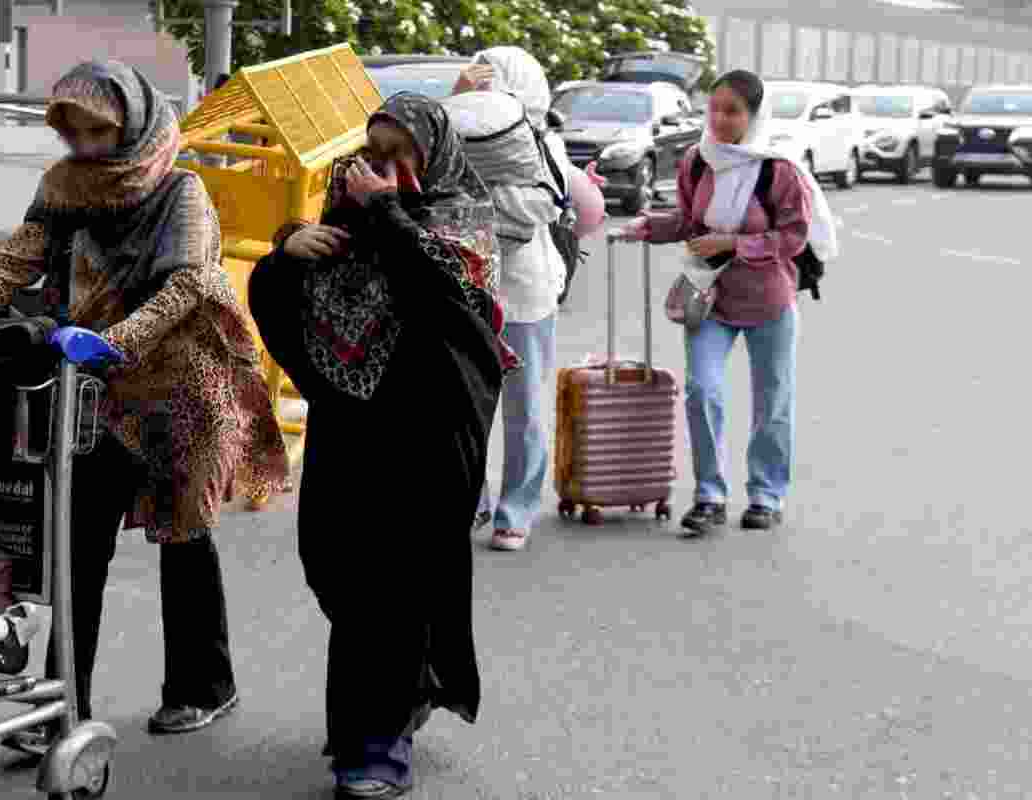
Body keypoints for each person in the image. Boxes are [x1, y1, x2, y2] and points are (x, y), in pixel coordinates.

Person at [0, 60, 290, 735]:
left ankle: (205, 683)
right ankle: (58, 704)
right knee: (73, 543)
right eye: (73, 132)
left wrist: (115, 338)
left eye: (98, 131)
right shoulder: (65, 188)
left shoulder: (180, 191)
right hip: (93, 389)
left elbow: (188, 285)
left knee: (183, 535)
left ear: (133, 124)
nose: (85, 146)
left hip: (181, 383)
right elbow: (20, 254)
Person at [248, 93, 517, 799]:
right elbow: (282, 303)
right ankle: (409, 683)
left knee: (391, 592)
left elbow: (443, 300)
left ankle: (375, 745)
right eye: (376, 152)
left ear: (433, 156)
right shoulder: (350, 223)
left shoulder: (462, 223)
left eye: (403, 154)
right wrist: (285, 249)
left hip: (428, 434)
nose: (386, 169)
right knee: (333, 568)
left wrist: (387, 213)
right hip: (350, 429)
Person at [614, 69, 837, 537]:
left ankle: (765, 495)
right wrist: (646, 227)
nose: (720, 119)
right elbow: (687, 221)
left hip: (769, 301)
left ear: (754, 115)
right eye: (714, 108)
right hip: (709, 297)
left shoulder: (778, 169)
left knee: (772, 402)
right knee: (702, 390)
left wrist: (733, 245)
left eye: (732, 111)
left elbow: (793, 237)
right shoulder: (697, 161)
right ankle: (710, 495)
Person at [445, 47, 608, 551]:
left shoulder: (544, 144)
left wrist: (481, 201)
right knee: (460, 405)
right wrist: (456, 101)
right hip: (467, 287)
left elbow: (547, 202)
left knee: (523, 407)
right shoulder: (453, 133)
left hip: (525, 291)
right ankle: (470, 504)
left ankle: (516, 511)